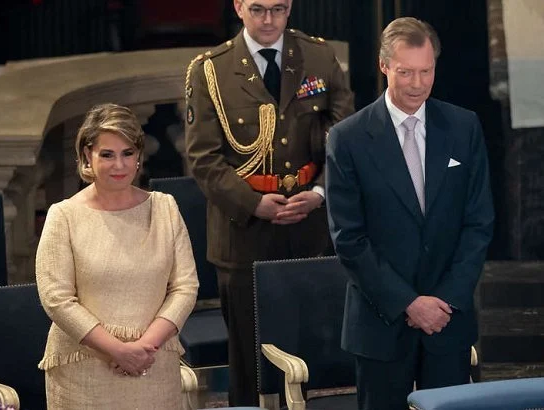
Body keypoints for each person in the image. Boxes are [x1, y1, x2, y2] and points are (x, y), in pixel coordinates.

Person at [184, 0, 354, 405]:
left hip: (311, 228)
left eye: (278, 9)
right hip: (244, 235)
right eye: (257, 8)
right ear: (239, 7)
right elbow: (203, 159)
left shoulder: (318, 55)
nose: (268, 20)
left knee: (315, 355)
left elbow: (347, 139)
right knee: (250, 366)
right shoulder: (210, 70)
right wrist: (253, 203)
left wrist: (318, 193)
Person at [325, 17, 495, 410]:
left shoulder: (463, 126)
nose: (417, 84)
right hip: (380, 325)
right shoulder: (348, 139)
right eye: (405, 72)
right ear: (384, 66)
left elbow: (479, 222)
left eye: (426, 71)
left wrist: (446, 299)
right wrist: (409, 303)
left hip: (448, 322)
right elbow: (349, 239)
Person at [36, 103, 199, 409]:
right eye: (107, 155)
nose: (119, 165)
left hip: (153, 363)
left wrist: (142, 348)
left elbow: (185, 287)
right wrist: (117, 350)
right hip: (84, 372)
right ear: (87, 156)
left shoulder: (164, 209)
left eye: (127, 153)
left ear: (139, 156)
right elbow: (56, 298)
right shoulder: (64, 216)